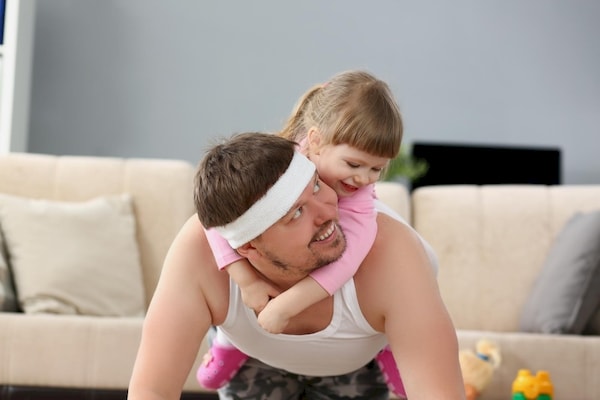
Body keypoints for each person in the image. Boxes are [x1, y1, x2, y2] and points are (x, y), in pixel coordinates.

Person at [127, 132, 465, 399]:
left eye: (317, 186)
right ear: (247, 247)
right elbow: (151, 390)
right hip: (253, 354)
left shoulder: (390, 254)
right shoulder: (199, 254)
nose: (328, 210)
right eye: (297, 213)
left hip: (357, 357)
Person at [197, 70, 408, 397]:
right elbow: (216, 219)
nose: (365, 178)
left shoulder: (361, 202)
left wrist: (287, 307)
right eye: (354, 164)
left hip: (335, 276)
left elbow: (348, 262)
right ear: (316, 142)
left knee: (395, 269)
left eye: (376, 169)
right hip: (263, 280)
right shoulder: (276, 161)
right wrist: (247, 282)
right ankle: (233, 340)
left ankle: (389, 344)